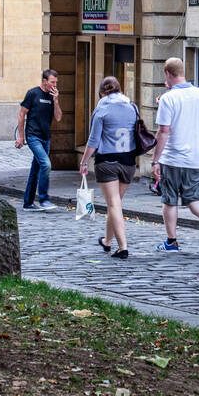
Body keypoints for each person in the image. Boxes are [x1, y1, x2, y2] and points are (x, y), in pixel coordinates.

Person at [151, 56, 199, 254]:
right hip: (194, 158)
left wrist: (156, 159)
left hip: (172, 158)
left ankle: (171, 241)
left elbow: (163, 131)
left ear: (167, 74)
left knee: (169, 199)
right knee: (195, 197)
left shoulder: (168, 98)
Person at [78, 76, 138, 259]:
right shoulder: (132, 107)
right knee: (116, 204)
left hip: (107, 162)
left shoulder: (101, 110)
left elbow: (93, 141)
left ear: (102, 93)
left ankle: (123, 247)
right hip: (128, 162)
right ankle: (108, 241)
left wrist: (84, 161)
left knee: (113, 204)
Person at [16, 69, 62, 211]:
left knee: (35, 170)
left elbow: (59, 117)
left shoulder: (52, 96)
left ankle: (28, 203)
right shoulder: (33, 93)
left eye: (56, 82)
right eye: (52, 82)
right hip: (33, 136)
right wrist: (21, 136)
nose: (54, 85)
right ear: (44, 81)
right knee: (46, 164)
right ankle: (44, 199)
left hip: (45, 137)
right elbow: (21, 114)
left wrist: (55, 100)